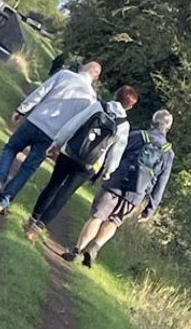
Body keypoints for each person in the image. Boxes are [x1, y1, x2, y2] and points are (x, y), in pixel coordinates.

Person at [0, 60, 101, 213]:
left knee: (11, 148)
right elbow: (77, 125)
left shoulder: (64, 75)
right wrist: (60, 145)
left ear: (83, 67)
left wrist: (22, 109)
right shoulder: (91, 99)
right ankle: (3, 202)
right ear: (96, 78)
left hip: (35, 121)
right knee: (28, 168)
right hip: (52, 136)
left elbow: (41, 91)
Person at [24, 85, 139, 241]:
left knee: (53, 184)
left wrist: (57, 143)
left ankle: (32, 219)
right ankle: (38, 228)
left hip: (70, 151)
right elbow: (116, 152)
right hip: (90, 164)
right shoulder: (123, 125)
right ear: (130, 107)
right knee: (65, 193)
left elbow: (74, 124)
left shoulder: (97, 106)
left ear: (116, 95)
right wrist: (108, 171)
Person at [63, 109, 175, 267]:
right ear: (168, 128)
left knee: (97, 216)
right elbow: (161, 184)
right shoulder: (168, 154)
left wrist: (100, 173)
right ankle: (94, 248)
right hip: (135, 193)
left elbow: (115, 154)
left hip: (116, 183)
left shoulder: (137, 136)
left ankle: (76, 251)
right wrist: (150, 209)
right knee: (115, 221)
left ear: (152, 122)